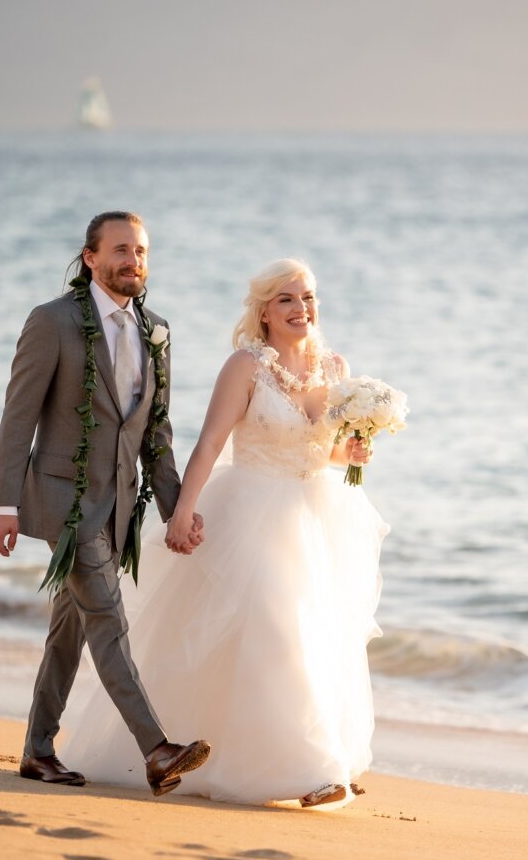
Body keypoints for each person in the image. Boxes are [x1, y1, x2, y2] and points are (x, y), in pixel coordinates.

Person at [60, 258, 390, 809]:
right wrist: (182, 512)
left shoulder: (334, 366)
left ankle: (286, 758)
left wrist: (350, 452)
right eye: (285, 299)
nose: (300, 308)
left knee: (313, 638)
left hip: (314, 516)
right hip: (252, 509)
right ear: (263, 310)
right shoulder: (245, 367)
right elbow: (211, 444)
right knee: (276, 629)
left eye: (307, 297)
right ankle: (311, 772)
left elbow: (319, 447)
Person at [0, 211, 211, 797]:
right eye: (119, 250)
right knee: (108, 622)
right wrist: (4, 502)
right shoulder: (53, 322)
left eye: (139, 251)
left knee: (70, 631)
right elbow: (19, 416)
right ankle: (157, 749)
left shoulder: (156, 331)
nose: (131, 260)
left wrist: (174, 511)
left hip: (116, 509)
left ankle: (38, 752)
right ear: (90, 258)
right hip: (64, 501)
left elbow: (156, 434)